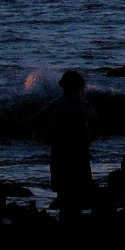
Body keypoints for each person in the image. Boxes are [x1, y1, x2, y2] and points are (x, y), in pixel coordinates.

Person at [30, 70, 100, 214]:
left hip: (58, 152)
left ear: (62, 85)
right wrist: (87, 142)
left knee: (63, 196)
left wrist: (46, 139)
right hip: (77, 153)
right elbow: (94, 124)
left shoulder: (54, 104)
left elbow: (32, 122)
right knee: (78, 197)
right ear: (80, 85)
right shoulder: (82, 104)